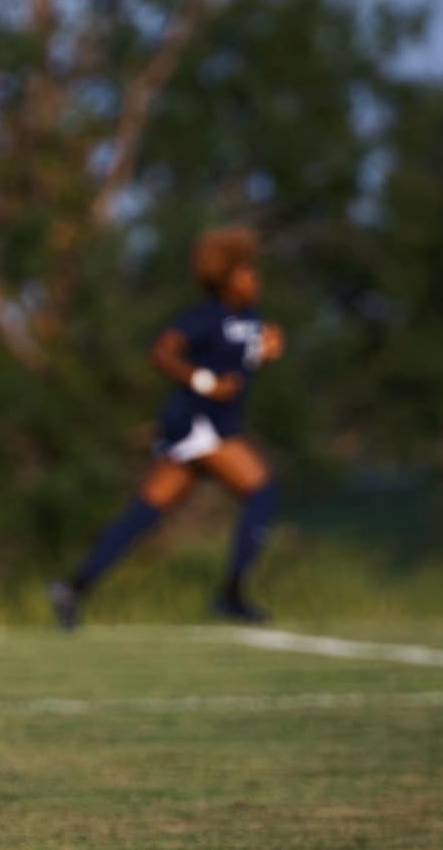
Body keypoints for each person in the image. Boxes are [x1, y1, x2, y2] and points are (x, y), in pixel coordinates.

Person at [50, 227, 284, 629]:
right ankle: (231, 592)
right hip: (199, 424)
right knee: (262, 490)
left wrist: (266, 354)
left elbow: (244, 359)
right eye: (247, 272)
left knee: (146, 513)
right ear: (226, 278)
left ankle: (73, 587)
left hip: (213, 426)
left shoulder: (251, 318)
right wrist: (204, 381)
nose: (255, 280)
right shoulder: (204, 317)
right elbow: (162, 352)